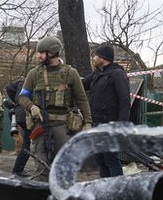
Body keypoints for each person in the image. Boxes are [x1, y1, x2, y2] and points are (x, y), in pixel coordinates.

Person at [17, 36, 92, 168]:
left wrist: (87, 122)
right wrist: (32, 107)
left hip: (63, 125)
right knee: (41, 163)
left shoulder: (71, 73)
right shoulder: (34, 74)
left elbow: (82, 99)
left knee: (65, 164)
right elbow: (22, 96)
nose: (39, 56)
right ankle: (43, 187)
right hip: (40, 124)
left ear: (52, 52)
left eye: (41, 53)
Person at [85, 44, 130, 177]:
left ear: (103, 58)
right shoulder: (98, 73)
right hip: (97, 124)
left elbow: (125, 102)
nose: (93, 58)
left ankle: (117, 189)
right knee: (100, 159)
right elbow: (82, 83)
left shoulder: (117, 74)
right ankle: (104, 188)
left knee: (111, 159)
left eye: (95, 56)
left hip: (110, 124)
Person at [3, 80, 31, 177]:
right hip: (25, 114)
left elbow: (9, 88)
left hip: (18, 113)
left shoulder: (21, 82)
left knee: (27, 141)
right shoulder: (30, 82)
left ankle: (18, 168)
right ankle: (18, 169)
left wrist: (16, 102)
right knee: (28, 142)